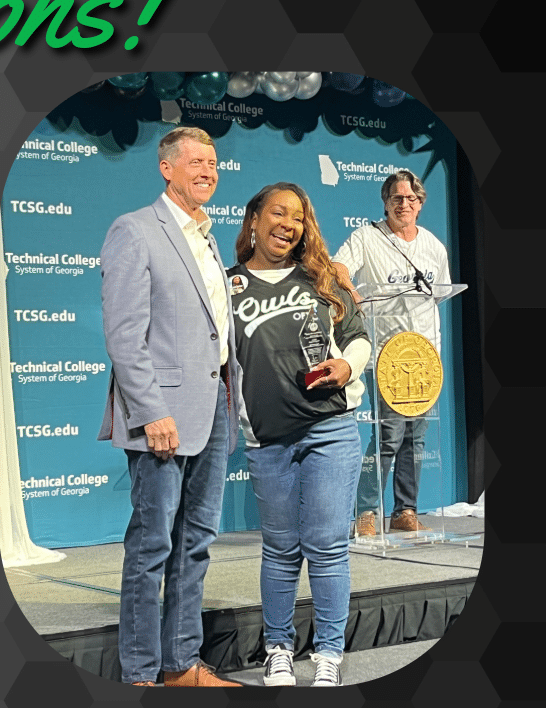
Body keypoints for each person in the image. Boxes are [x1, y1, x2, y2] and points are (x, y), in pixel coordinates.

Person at [98, 126, 241, 688]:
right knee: (152, 547)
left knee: (196, 545)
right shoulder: (134, 231)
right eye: (197, 162)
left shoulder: (206, 235)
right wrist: (151, 411)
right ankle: (139, 674)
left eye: (213, 162)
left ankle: (181, 666)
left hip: (215, 408)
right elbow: (125, 337)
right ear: (167, 168)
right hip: (163, 416)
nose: (209, 170)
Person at [227, 183, 371, 687]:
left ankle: (328, 654)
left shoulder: (324, 278)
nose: (287, 224)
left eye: (298, 218)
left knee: (327, 546)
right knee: (281, 548)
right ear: (253, 219)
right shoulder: (226, 285)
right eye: (277, 213)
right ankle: (278, 649)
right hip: (268, 440)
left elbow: (359, 340)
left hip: (329, 430)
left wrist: (346, 367)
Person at [331, 170, 451, 536]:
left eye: (412, 199)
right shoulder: (367, 237)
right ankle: (367, 511)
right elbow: (337, 267)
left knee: (417, 437)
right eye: (397, 198)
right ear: (385, 202)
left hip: (425, 356)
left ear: (421, 204)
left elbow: (443, 290)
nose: (404, 205)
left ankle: (406, 510)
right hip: (387, 354)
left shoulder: (433, 245)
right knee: (389, 435)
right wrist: (350, 289)